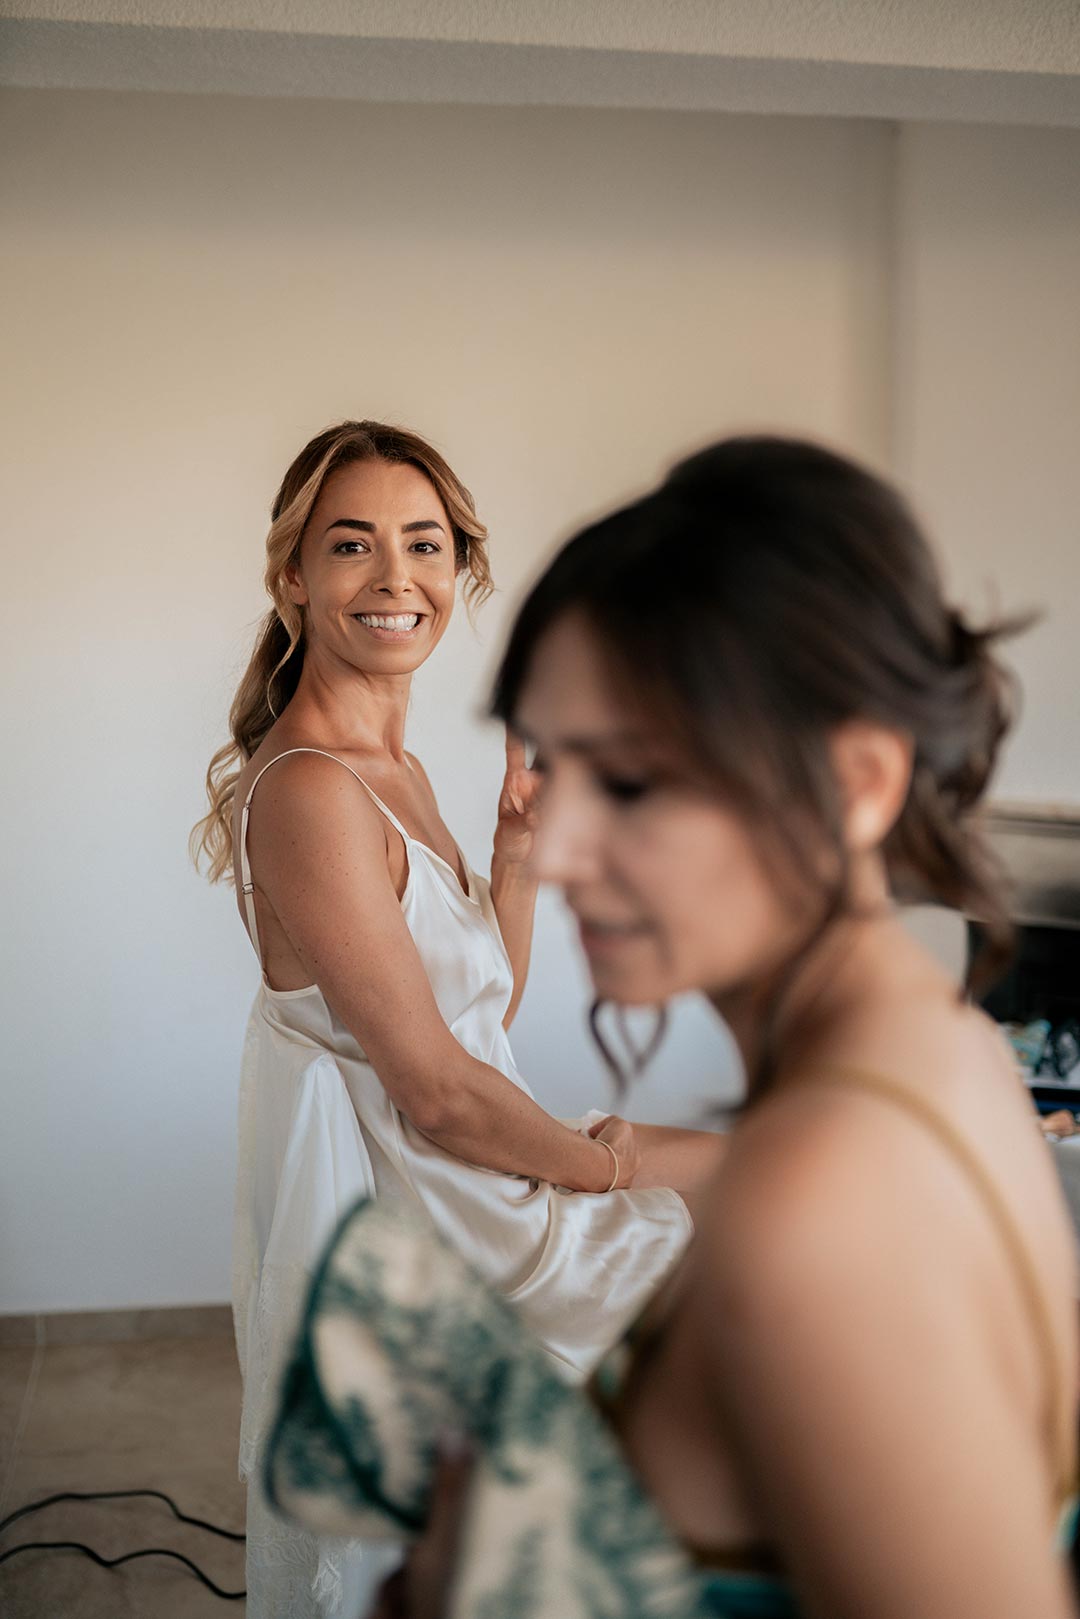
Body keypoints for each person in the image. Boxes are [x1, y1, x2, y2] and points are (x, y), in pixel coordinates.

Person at [266, 435, 1079, 1619]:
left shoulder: (812, 1218)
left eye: (634, 779)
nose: (566, 845)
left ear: (856, 781)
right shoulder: (943, 1052)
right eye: (560, 761)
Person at [191, 420, 719, 1619]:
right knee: (746, 1205)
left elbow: (475, 1016)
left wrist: (512, 857)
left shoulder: (401, 772)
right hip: (434, 1221)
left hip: (463, 1178)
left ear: (459, 567)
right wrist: (607, 1163)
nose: (395, 576)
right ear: (293, 578)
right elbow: (435, 1091)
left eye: (424, 543)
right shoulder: (314, 787)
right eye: (351, 544)